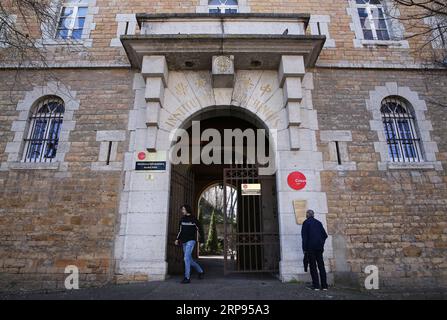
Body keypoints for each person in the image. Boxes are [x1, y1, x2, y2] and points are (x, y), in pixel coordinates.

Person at [175, 204, 205, 284]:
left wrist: (202, 241)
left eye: (183, 209)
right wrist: (177, 239)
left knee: (186, 258)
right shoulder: (182, 220)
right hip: (184, 241)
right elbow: (180, 231)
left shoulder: (194, 220)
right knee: (189, 259)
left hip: (191, 241)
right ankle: (200, 271)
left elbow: (200, 230)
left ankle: (187, 277)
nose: (182, 211)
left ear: (187, 210)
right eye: (182, 209)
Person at [301, 209, 328, 291]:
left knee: (313, 266)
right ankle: (324, 286)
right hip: (319, 248)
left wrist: (304, 249)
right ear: (313, 215)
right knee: (321, 266)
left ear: (307, 215)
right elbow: (325, 235)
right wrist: (321, 244)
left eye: (306, 214)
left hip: (310, 248)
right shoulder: (319, 223)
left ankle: (316, 285)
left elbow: (304, 237)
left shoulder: (306, 223)